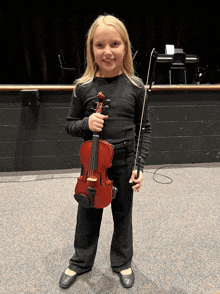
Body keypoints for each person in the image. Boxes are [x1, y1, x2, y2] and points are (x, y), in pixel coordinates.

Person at [59, 14, 151, 289]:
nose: (108, 52)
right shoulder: (83, 87)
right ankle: (80, 262)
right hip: (93, 162)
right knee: (87, 211)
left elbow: (144, 129)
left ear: (125, 47)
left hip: (123, 160)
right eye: (100, 45)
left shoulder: (135, 87)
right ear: (91, 50)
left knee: (123, 214)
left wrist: (139, 164)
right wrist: (86, 123)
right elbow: (69, 126)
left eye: (114, 44)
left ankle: (122, 262)